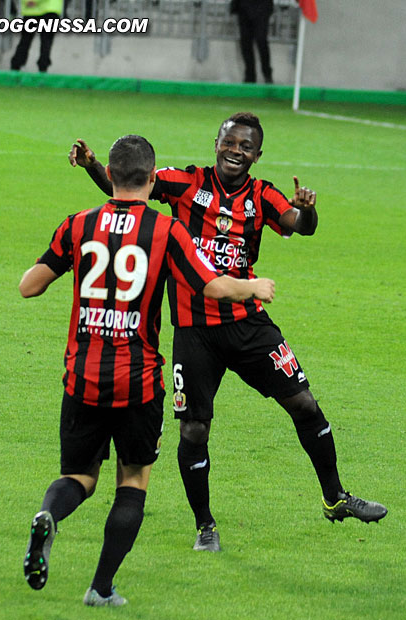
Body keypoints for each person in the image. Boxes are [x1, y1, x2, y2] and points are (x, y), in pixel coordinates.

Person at [68, 113, 387, 553]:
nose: (236, 150)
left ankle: (335, 498)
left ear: (258, 154)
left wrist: (309, 210)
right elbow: (127, 187)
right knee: (194, 431)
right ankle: (205, 526)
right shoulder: (184, 182)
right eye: (229, 141)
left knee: (305, 404)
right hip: (195, 333)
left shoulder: (262, 195)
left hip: (248, 324)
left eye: (246, 146)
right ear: (215, 143)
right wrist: (91, 166)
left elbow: (299, 225)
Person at [20, 135, 275, 606]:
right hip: (136, 379)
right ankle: (100, 588)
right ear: (153, 179)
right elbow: (212, 286)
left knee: (79, 477)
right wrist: (252, 285)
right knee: (133, 479)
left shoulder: (77, 225)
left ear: (111, 176)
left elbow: (28, 287)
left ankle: (49, 516)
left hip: (82, 375)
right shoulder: (165, 230)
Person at [10, 0, 62, 73]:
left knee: (25, 40)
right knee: (46, 41)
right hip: (50, 8)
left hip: (31, 9)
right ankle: (43, 68)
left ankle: (16, 66)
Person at [233, 0, 274, 83]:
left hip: (262, 6)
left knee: (261, 40)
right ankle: (250, 76)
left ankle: (267, 74)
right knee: (246, 43)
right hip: (243, 7)